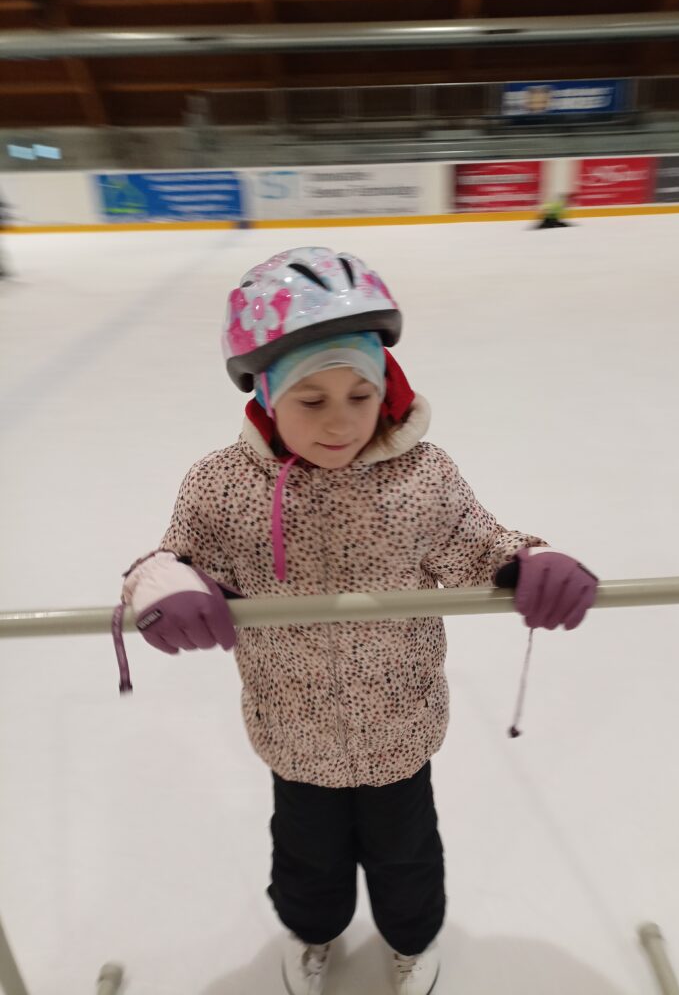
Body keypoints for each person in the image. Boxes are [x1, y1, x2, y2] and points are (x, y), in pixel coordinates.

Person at [117, 246, 598, 995]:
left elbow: (478, 543)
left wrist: (531, 562)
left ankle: (410, 941)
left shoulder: (422, 476)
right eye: (311, 400)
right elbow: (170, 557)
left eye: (360, 394)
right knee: (305, 855)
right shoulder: (222, 485)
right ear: (266, 395)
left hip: (399, 724)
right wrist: (167, 585)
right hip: (293, 726)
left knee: (408, 854)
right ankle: (313, 934)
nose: (341, 420)